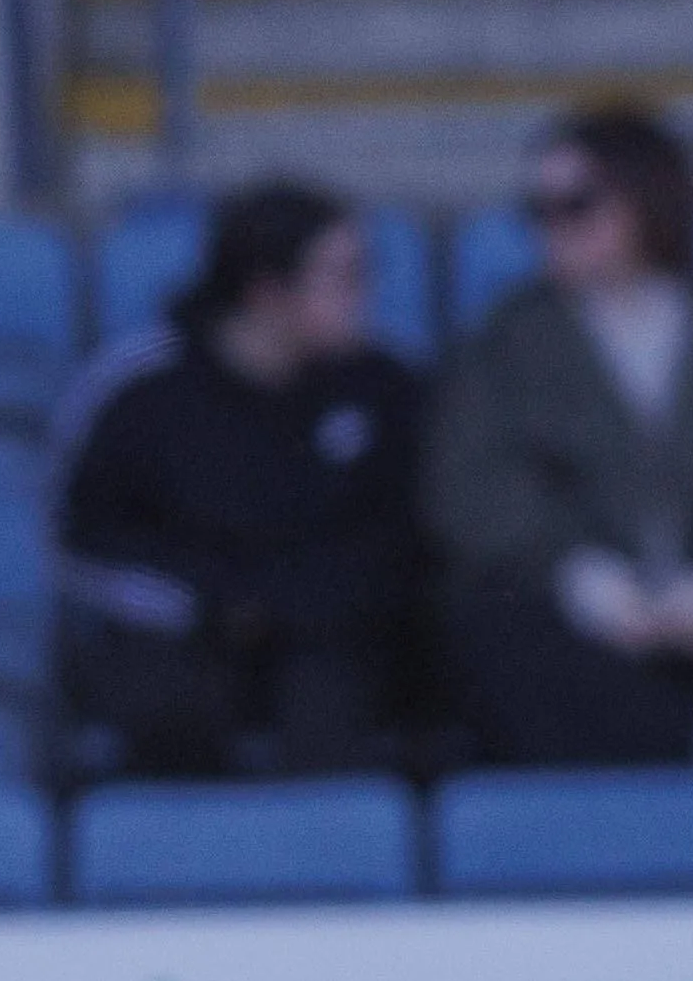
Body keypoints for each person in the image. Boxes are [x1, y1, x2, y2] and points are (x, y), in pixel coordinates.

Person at [424, 106, 693, 776]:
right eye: (538, 207)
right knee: (496, 635)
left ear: (646, 197)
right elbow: (474, 480)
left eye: (576, 204)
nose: (551, 226)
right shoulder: (508, 342)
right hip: (575, 619)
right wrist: (582, 578)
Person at [54, 180, 425, 778]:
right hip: (188, 632)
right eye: (346, 277)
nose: (366, 295)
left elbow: (407, 534)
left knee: (340, 692)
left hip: (332, 636)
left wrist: (301, 602)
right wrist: (219, 601)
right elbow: (85, 540)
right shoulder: (142, 391)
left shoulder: (386, 387)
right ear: (267, 292)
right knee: (165, 699)